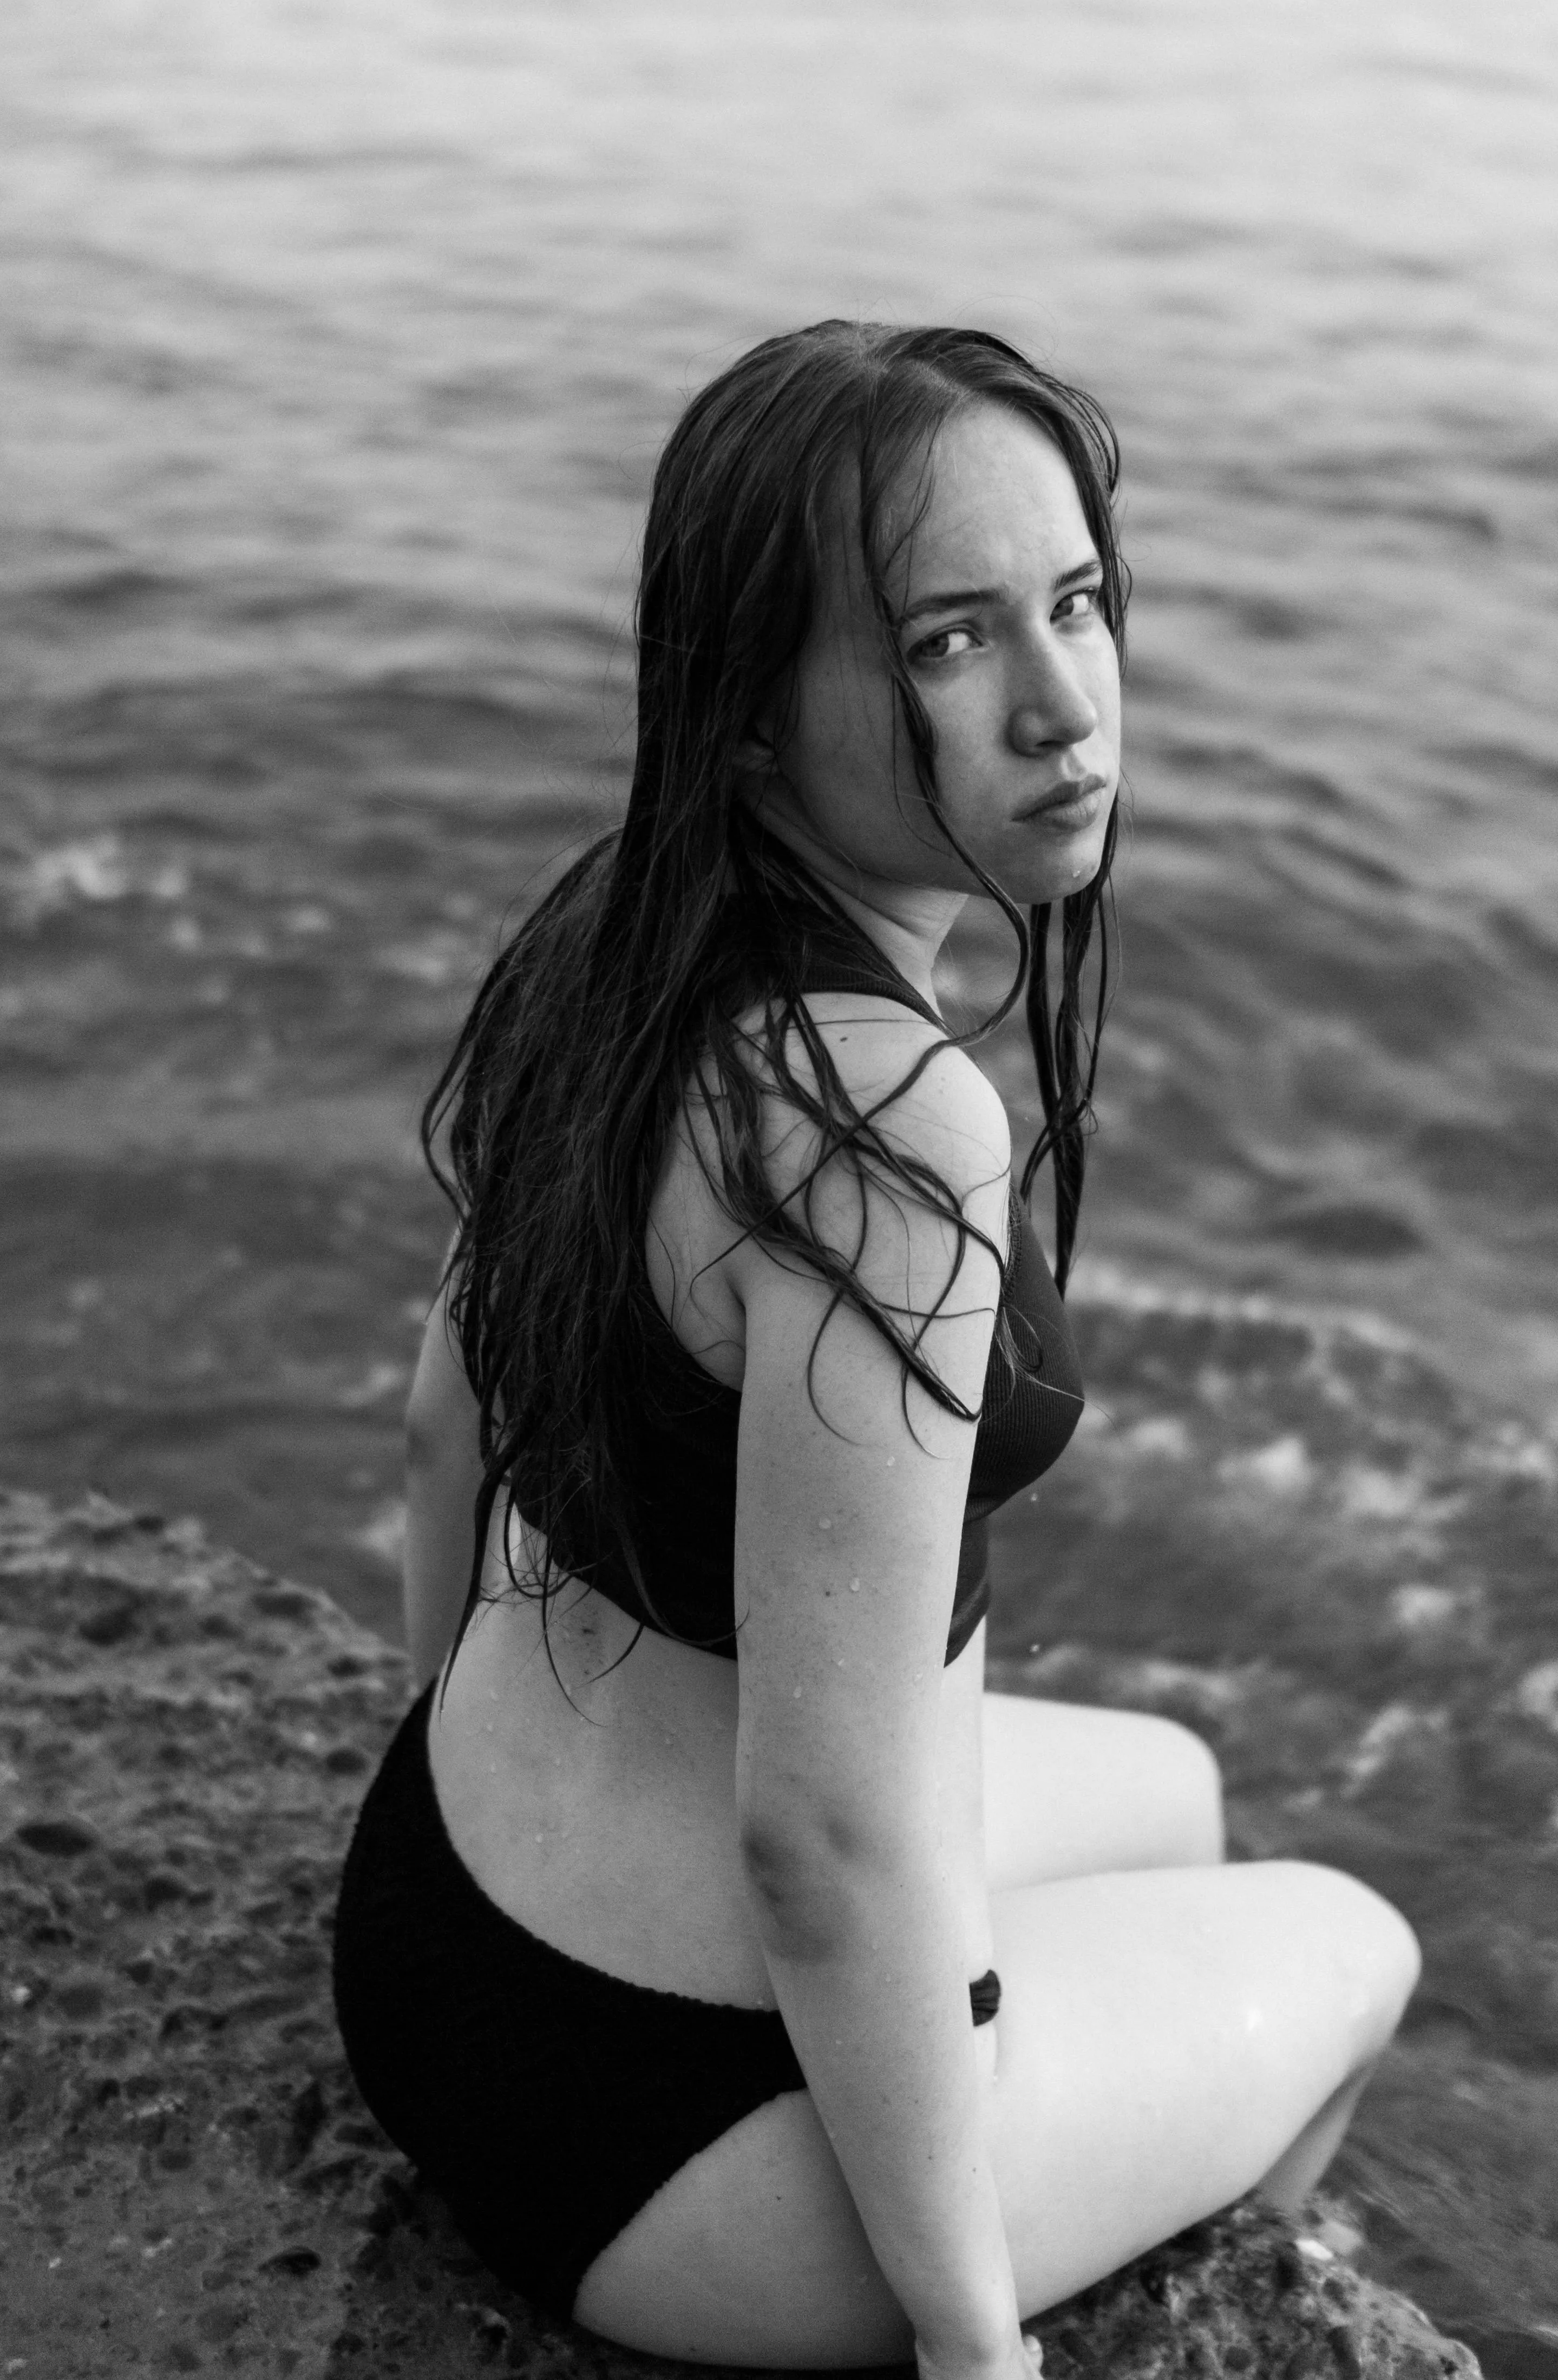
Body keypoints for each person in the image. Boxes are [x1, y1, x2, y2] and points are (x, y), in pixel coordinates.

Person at [333, 322, 1420, 2378]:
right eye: (945, 644)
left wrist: (502, 1856)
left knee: (1180, 1794)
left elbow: (433, 1432)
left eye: (1078, 604)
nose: (1061, 703)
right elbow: (816, 1839)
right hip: (672, 2130)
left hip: (431, 1923)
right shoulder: (884, 1131)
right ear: (752, 718)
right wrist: (969, 2341)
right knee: (1361, 1948)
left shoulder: (618, 932)